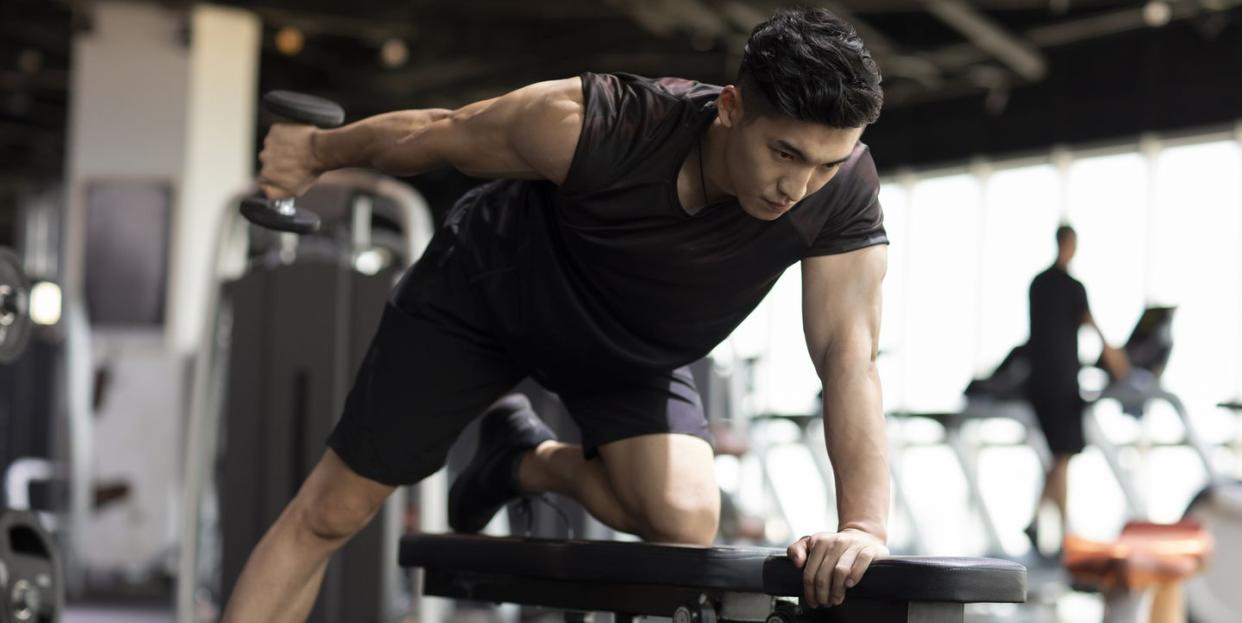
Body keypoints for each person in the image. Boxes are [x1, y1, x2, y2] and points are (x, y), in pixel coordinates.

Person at [224, 8, 891, 621]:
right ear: (731, 107)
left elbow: (847, 355)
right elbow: (440, 134)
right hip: (487, 297)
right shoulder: (598, 125)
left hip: (626, 347)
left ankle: (522, 460)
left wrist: (863, 526)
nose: (798, 187)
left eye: (826, 164)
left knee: (685, 517)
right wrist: (313, 152)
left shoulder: (843, 195)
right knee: (332, 511)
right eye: (786, 153)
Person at [1024, 224, 1130, 555]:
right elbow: (1092, 324)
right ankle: (1067, 533)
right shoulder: (1072, 287)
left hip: (1038, 379)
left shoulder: (1037, 284)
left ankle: (1036, 520)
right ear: (1070, 245)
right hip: (1061, 381)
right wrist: (1118, 364)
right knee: (1063, 455)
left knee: (1058, 454)